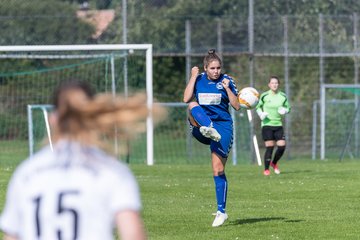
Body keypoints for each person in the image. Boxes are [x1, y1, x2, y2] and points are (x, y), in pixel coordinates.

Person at [0, 80, 164, 240]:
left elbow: (12, 235)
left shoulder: (27, 171)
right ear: (92, 117)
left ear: (53, 119)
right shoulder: (111, 170)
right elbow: (132, 233)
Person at [183, 49, 240, 227]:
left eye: (218, 68)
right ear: (205, 68)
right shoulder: (198, 79)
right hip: (202, 126)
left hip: (223, 128)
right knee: (192, 104)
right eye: (212, 68)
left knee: (218, 169)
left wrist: (227, 89)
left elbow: (237, 106)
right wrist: (192, 76)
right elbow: (186, 98)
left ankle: (221, 212)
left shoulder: (227, 80)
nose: (216, 71)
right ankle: (208, 128)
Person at [256, 76, 291, 176]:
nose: (274, 85)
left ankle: (274, 163)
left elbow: (288, 108)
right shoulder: (264, 95)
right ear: (269, 85)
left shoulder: (283, 96)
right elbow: (258, 107)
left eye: (276, 83)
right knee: (270, 147)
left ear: (278, 84)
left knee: (282, 146)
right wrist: (261, 114)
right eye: (272, 83)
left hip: (278, 124)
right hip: (267, 125)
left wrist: (285, 110)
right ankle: (266, 169)